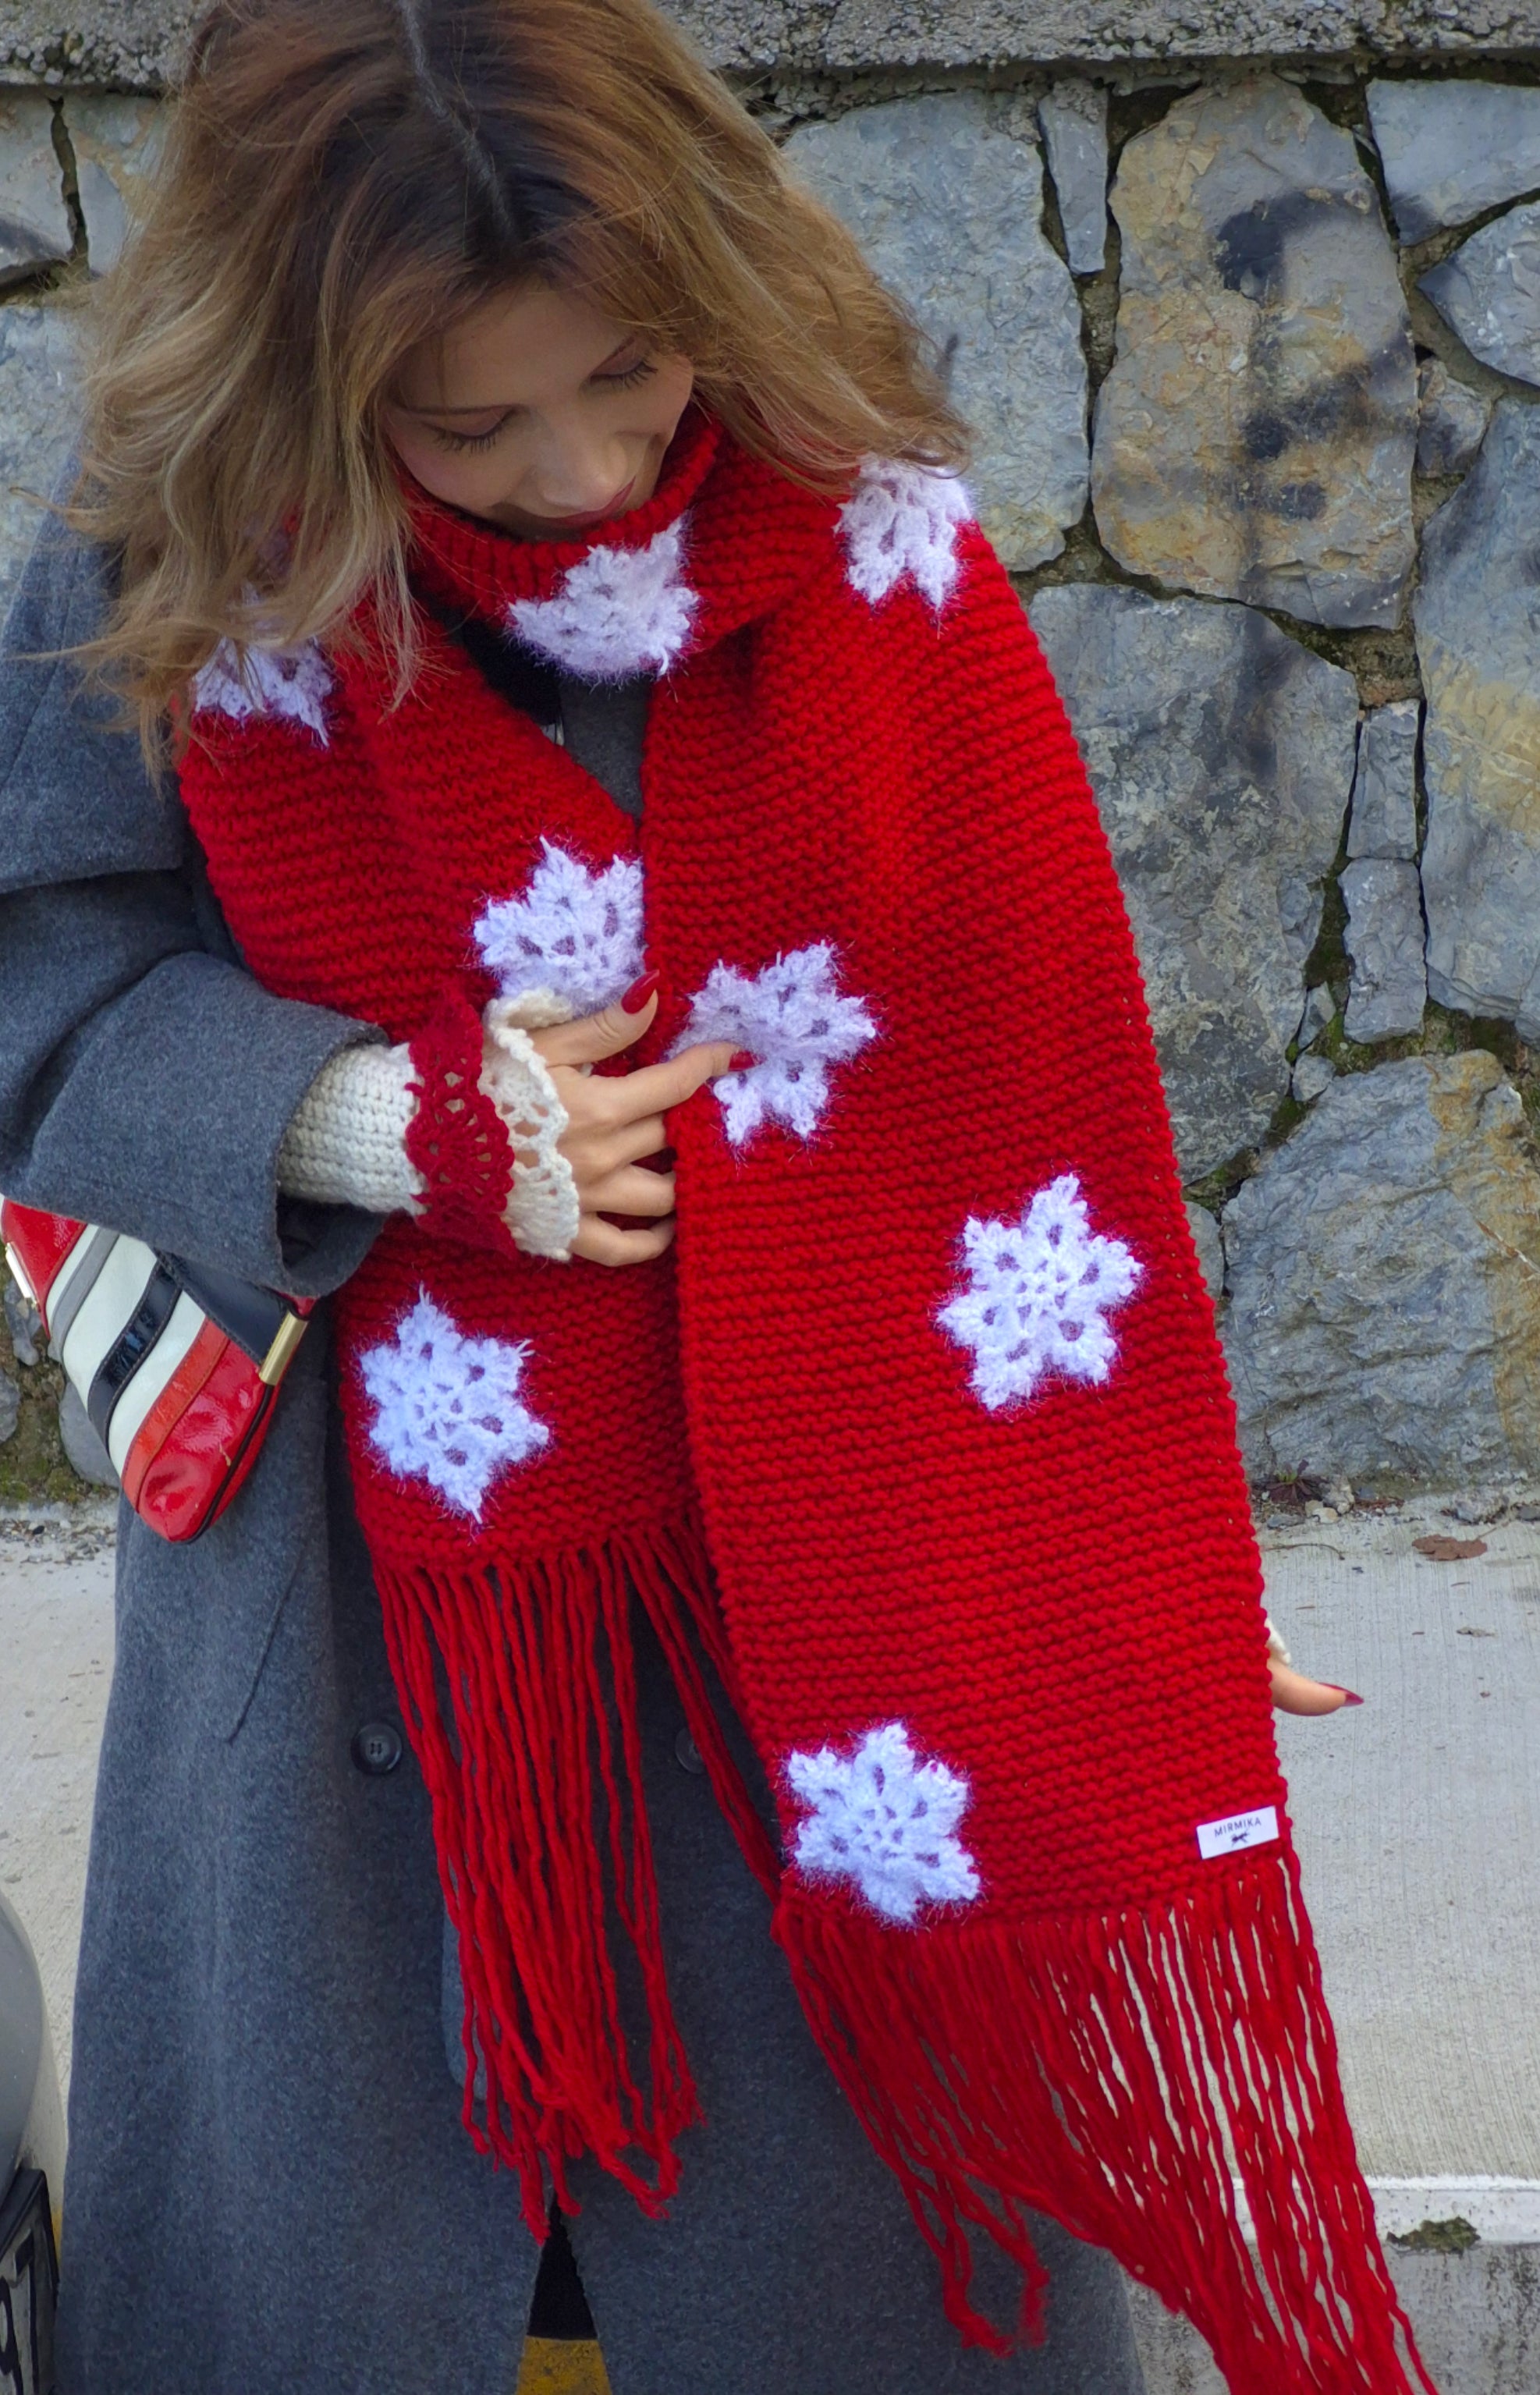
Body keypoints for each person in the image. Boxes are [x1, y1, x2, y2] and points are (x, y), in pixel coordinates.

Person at [0, 5, 1418, 2394]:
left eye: (627, 379)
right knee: (374, 2293)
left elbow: (1013, 1091)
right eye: (471, 425)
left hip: (843, 1632)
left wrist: (1105, 1543)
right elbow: (41, 982)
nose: (574, 470)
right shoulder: (164, 541)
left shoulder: (854, 507)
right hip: (365, 1643)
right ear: (304, 368)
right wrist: (378, 1120)